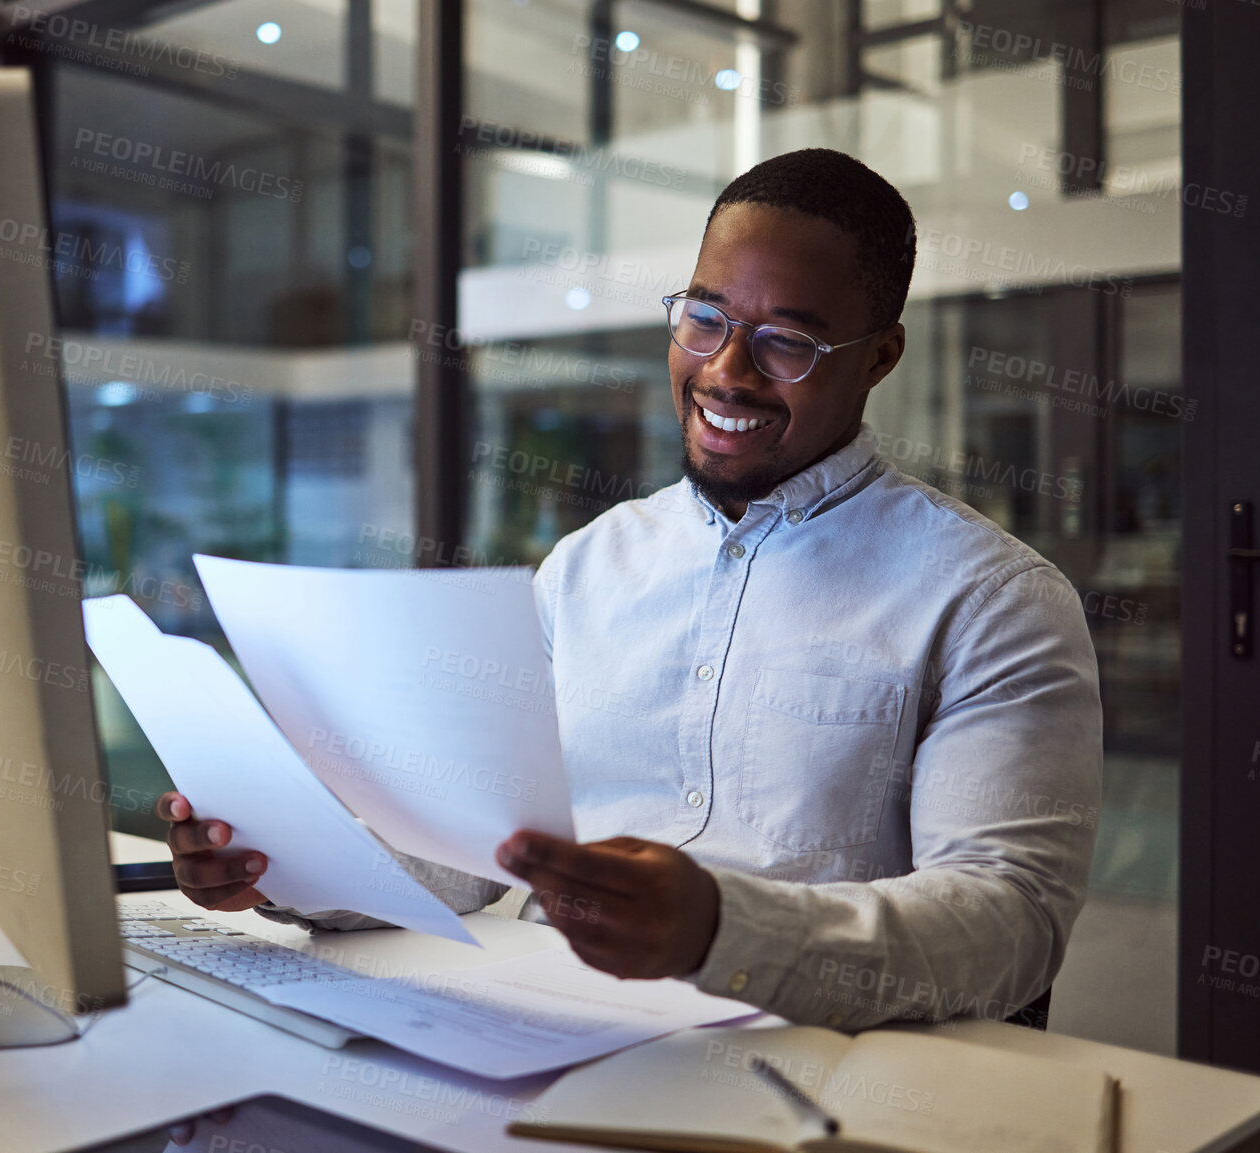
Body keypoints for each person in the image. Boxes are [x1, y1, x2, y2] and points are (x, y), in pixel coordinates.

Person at [154, 147, 1102, 1030]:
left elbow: (1007, 920)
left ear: (881, 356)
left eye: (787, 342)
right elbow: (471, 848)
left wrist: (722, 931)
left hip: (804, 1060)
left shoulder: (994, 599)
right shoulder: (586, 567)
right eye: (705, 318)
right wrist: (278, 864)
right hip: (532, 1020)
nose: (726, 371)